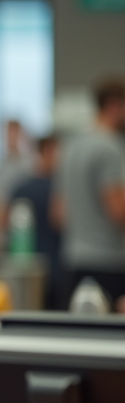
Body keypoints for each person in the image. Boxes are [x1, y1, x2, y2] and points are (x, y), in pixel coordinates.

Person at [53, 75, 125, 306]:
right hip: (109, 264)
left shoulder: (70, 147)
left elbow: (58, 215)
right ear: (115, 105)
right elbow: (118, 211)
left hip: (74, 261)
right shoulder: (110, 148)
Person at [10, 134, 64, 309]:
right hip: (55, 266)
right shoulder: (59, 189)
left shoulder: (21, 187)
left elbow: (3, 221)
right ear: (47, 152)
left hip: (28, 269)